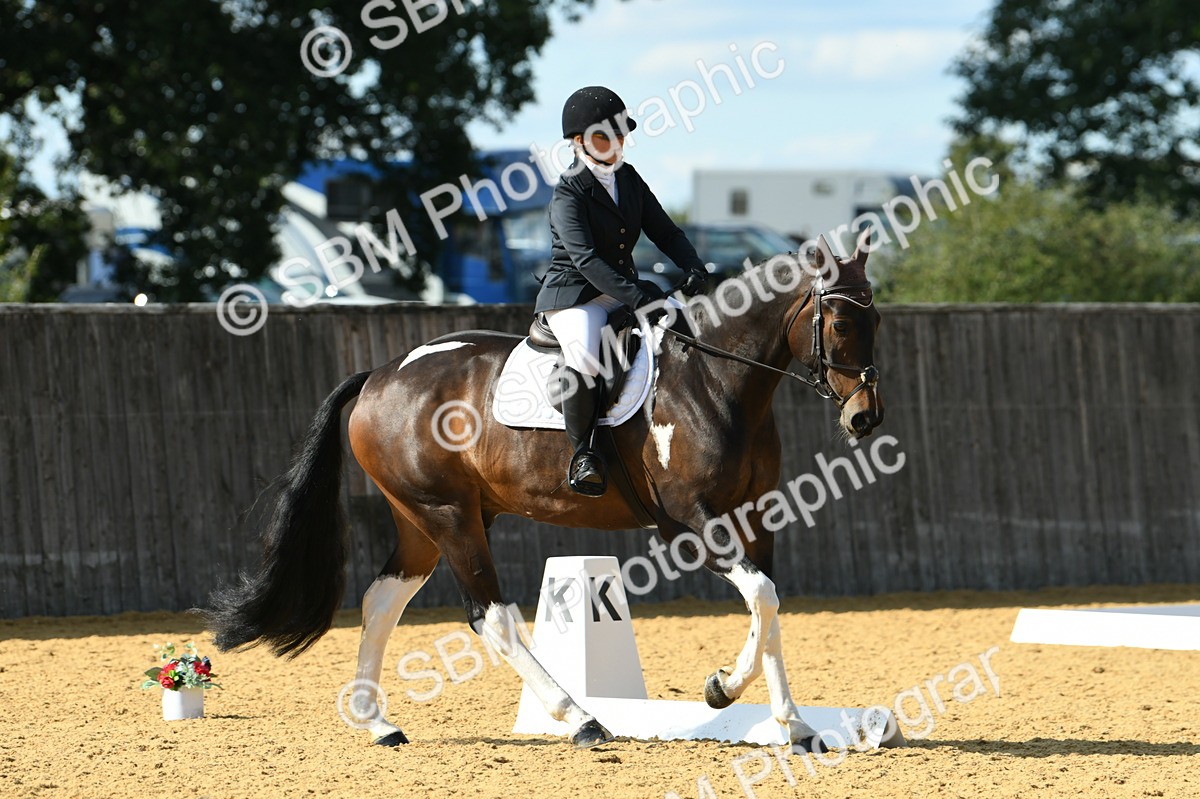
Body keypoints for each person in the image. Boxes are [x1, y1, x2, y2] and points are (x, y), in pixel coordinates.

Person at [534, 86, 708, 497]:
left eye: (619, 135)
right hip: (574, 296)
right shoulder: (568, 192)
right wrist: (640, 297)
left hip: (622, 288)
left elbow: (664, 230)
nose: (614, 145)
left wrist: (693, 264)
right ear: (579, 142)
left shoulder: (628, 179)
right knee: (586, 352)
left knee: (684, 326)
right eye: (602, 137)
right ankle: (582, 455)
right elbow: (588, 261)